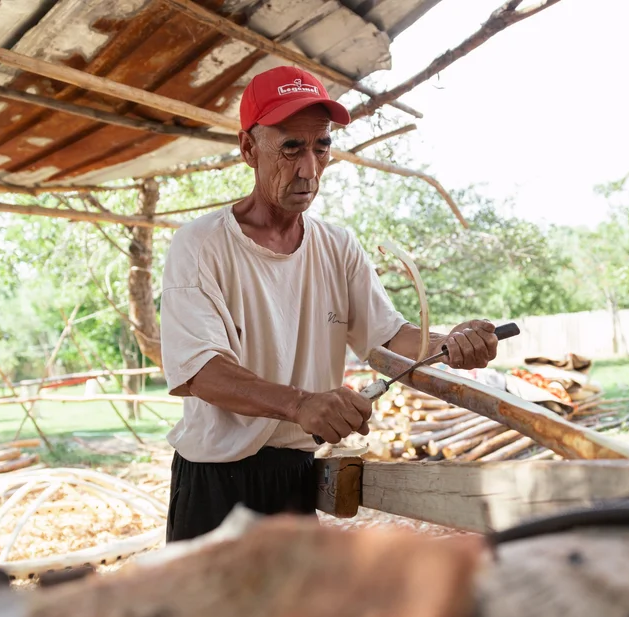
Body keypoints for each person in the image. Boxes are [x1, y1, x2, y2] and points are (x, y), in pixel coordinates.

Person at [160, 65, 502, 542]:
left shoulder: (338, 246)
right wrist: (301, 404)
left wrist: (451, 343)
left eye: (321, 146)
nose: (310, 168)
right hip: (217, 482)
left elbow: (389, 337)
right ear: (247, 149)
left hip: (297, 477)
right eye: (291, 147)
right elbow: (200, 371)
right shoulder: (201, 246)